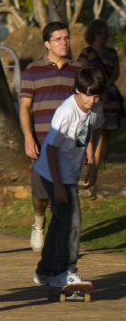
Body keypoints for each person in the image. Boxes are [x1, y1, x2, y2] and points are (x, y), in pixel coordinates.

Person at [32, 66, 106, 290]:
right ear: (77, 90)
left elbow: (98, 129)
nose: (92, 100)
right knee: (72, 220)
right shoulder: (66, 112)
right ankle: (65, 271)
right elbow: (52, 150)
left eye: (96, 95)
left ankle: (45, 271)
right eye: (87, 94)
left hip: (69, 171)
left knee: (60, 220)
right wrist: (58, 187)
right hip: (51, 171)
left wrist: (94, 164)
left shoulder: (96, 107)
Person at [19, 21, 81, 251]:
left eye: (66, 38)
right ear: (47, 44)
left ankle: (62, 241)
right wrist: (28, 137)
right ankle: (38, 221)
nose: (64, 42)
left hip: (70, 144)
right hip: (43, 140)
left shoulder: (78, 69)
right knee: (41, 191)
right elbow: (25, 107)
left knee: (67, 192)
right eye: (58, 39)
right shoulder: (33, 70)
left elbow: (86, 108)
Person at [80, 20, 122, 175]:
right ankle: (89, 159)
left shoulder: (111, 53)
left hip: (110, 94)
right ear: (94, 34)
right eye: (100, 32)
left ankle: (102, 162)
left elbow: (116, 72)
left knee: (107, 131)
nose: (103, 35)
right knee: (91, 127)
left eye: (105, 32)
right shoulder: (87, 53)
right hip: (94, 93)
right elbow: (83, 70)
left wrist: (107, 85)